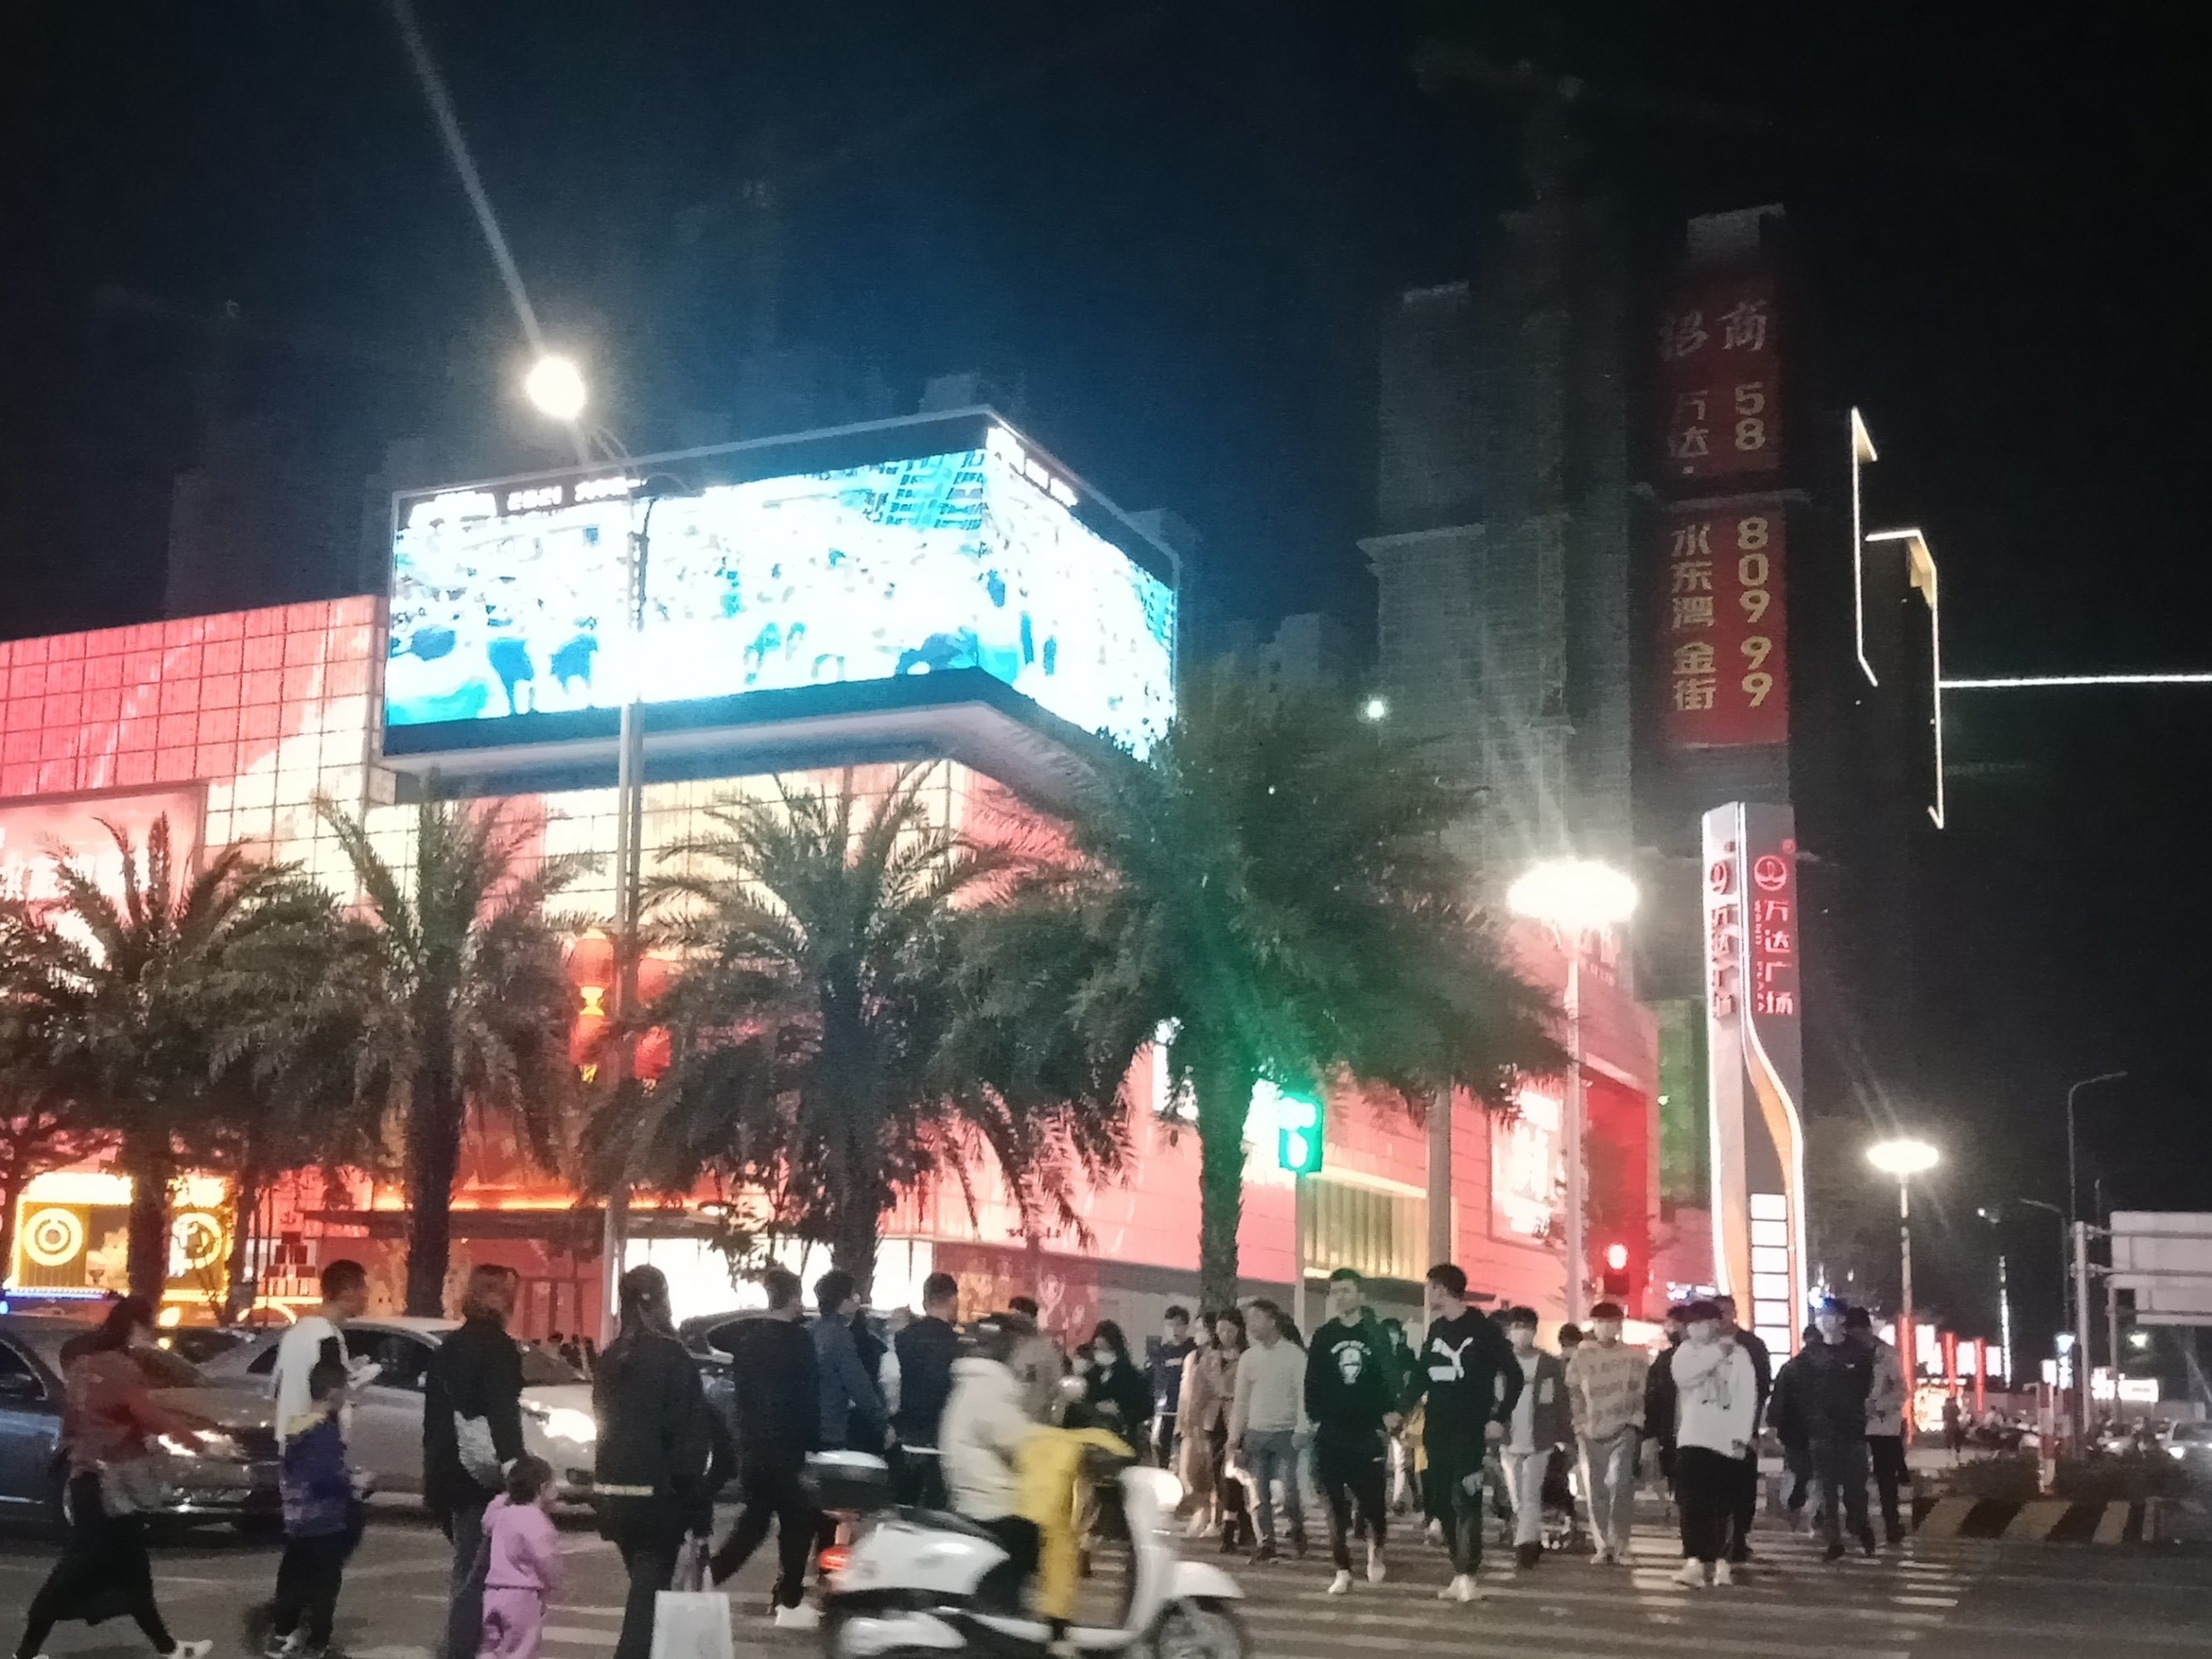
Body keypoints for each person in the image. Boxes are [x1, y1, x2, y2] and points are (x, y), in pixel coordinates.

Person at [12, 1296, 214, 1659]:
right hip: (114, 1483)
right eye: (149, 1326)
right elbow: (148, 1414)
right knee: (80, 1562)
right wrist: (198, 1444)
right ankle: (25, 1652)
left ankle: (169, 1648)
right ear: (135, 1326)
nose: (151, 1334)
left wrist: (81, 1452)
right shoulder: (122, 1368)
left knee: (133, 1567)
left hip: (87, 1477)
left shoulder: (81, 1366)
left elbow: (76, 1422)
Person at [594, 1265, 735, 1659]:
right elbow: (686, 1440)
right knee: (647, 1605)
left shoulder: (611, 1357)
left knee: (645, 1590)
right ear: (658, 1301)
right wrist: (698, 1505)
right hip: (657, 1497)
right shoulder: (672, 1357)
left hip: (612, 1494)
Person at [711, 1267, 823, 1627]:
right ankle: (788, 1598)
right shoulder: (800, 1341)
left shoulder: (749, 1339)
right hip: (786, 1446)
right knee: (796, 1521)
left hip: (752, 1446)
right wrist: (814, 1441)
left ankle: (708, 1578)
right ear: (795, 1298)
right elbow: (809, 1397)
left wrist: (760, 1317)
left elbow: (714, 1334)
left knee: (756, 1522)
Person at [425, 1264, 526, 1659]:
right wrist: (515, 1466)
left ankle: (464, 1645)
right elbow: (503, 1414)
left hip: (448, 1469)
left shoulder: (449, 1347)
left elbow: (433, 1418)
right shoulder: (499, 1348)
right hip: (481, 1475)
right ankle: (463, 1649)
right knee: (476, 1574)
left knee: (467, 1566)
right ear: (500, 1297)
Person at [1402, 1264, 1519, 1602]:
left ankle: (1469, 1573)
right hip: (1436, 1426)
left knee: (1467, 1499)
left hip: (1470, 1428)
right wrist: (1402, 1408)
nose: (1428, 1294)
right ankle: (1458, 1570)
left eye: (1430, 1287)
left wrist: (1500, 1417)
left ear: (1442, 1289)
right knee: (1439, 1501)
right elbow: (1423, 1374)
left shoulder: (1483, 1330)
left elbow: (1513, 1374)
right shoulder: (1437, 1328)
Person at [1304, 1268, 1399, 1594]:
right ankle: (1342, 1568)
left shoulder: (1376, 1334)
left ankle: (1376, 1551)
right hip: (1330, 1432)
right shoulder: (1324, 1335)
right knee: (1333, 1506)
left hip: (1367, 1432)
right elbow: (1312, 1380)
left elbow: (1390, 1376)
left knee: (1372, 1503)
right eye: (1336, 1291)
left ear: (1360, 1295)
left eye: (1346, 1290)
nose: (1340, 1297)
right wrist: (1315, 1418)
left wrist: (1390, 1412)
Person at [941, 1316, 1045, 1603]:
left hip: (973, 1496)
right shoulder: (989, 1386)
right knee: (1007, 1581)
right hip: (994, 1504)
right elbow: (1017, 1440)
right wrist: (1053, 1443)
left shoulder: (970, 1383)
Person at [268, 1349, 362, 1659]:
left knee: (292, 1579)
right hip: (324, 1521)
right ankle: (316, 1644)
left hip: (296, 1519)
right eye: (344, 1389)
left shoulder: (296, 1427)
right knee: (324, 1586)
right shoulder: (323, 1432)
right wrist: (355, 1482)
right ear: (333, 1392)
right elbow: (324, 1478)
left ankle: (281, 1636)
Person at [1667, 1299, 1757, 1588]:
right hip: (1693, 1437)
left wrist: (1742, 1436)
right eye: (1693, 1323)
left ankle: (1722, 1562)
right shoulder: (1685, 1352)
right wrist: (1717, 1353)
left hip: (1726, 1440)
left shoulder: (1740, 1354)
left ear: (1717, 1323)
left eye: (1704, 1322)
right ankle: (1694, 1561)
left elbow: (1747, 1396)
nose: (1698, 1328)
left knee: (1723, 1505)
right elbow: (1684, 1377)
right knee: (1692, 1503)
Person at [1566, 1299, 1646, 1566]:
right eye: (1601, 1323)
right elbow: (1574, 1392)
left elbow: (1640, 1393)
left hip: (1624, 1428)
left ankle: (1620, 1544)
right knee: (1595, 1489)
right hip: (1590, 1430)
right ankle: (1603, 1545)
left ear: (1620, 1325)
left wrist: (1636, 1423)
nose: (1606, 1327)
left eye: (1611, 1322)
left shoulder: (1634, 1356)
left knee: (1620, 1485)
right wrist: (1578, 1424)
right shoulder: (1581, 1356)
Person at [1228, 1298, 1307, 1562]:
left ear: (1272, 1321)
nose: (1250, 1325)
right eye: (1248, 1320)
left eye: (1256, 1318)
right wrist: (1234, 1437)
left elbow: (1303, 1395)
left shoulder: (1294, 1356)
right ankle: (1266, 1543)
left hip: (1286, 1433)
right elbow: (1241, 1401)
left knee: (1288, 1492)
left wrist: (1302, 1428)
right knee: (1257, 1493)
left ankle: (1296, 1528)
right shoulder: (1249, 1358)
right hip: (1256, 1433)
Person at [1798, 1298, 1875, 1562]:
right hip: (1821, 1431)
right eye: (1820, 1315)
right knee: (1826, 1488)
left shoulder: (1859, 1352)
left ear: (1841, 1319)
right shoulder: (1811, 1353)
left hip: (1851, 1430)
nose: (1823, 1319)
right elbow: (1801, 1387)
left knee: (1855, 1488)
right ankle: (1833, 1541)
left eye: (1828, 1315)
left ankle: (1861, 1526)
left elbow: (1864, 1387)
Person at [1498, 1307, 1568, 1571]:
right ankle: (1532, 1537)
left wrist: (1564, 1436)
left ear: (1535, 1331)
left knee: (1530, 1494)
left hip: (1540, 1439)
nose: (1522, 1331)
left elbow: (1559, 1402)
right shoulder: (1500, 1362)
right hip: (1508, 1438)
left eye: (1527, 1326)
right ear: (1508, 1330)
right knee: (1517, 1496)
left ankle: (1524, 1547)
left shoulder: (1549, 1364)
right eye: (1517, 1326)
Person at [477, 1456, 564, 1659]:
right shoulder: (536, 1520)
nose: (557, 1492)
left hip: (493, 1592)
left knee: (491, 1646)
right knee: (521, 1648)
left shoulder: (503, 1514)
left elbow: (486, 1522)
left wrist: (505, 1496)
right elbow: (545, 1557)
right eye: (553, 1485)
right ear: (542, 1488)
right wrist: (557, 1582)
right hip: (523, 1596)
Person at [892, 1272, 961, 1509]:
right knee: (935, 1512)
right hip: (941, 1439)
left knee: (902, 1508)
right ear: (953, 1300)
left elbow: (890, 1383)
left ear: (925, 1301)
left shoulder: (902, 1339)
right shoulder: (958, 1346)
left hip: (907, 1437)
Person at [1712, 1294, 1771, 1564]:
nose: (1722, 1317)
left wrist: (1751, 1426)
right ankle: (1717, 1540)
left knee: (1742, 1487)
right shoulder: (1705, 1345)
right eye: (1717, 1313)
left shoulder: (1752, 1345)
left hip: (1743, 1426)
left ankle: (1738, 1537)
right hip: (1711, 1428)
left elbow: (1761, 1386)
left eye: (1725, 1311)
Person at [1850, 1306, 1909, 1545]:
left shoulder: (1886, 1354)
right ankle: (1859, 1525)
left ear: (1866, 1329)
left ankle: (1892, 1525)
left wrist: (1879, 1406)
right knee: (1854, 1478)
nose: (1855, 1338)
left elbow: (1902, 1390)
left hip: (1883, 1426)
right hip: (1854, 1425)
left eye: (1858, 1332)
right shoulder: (1846, 1355)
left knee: (1886, 1479)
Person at [814, 1270, 890, 1455]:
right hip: (831, 1428)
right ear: (843, 1303)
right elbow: (858, 1384)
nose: (858, 1300)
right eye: (853, 1294)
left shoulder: (811, 1331)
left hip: (810, 1425)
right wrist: (882, 1423)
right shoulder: (840, 1337)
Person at [1175, 1315, 1228, 1536]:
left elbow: (1217, 1389)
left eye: (1202, 1328)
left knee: (1213, 1473)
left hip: (1212, 1420)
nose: (1197, 1333)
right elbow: (1184, 1391)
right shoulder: (1191, 1357)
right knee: (1190, 1474)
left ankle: (1215, 1519)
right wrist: (1182, 1420)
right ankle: (1201, 1511)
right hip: (1191, 1421)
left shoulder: (1217, 1357)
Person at [1766, 1326, 1818, 1531]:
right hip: (1819, 1428)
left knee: (1800, 1471)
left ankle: (1796, 1508)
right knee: (1816, 1472)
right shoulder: (1828, 1366)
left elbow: (1779, 1399)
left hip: (1794, 1430)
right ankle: (1812, 1512)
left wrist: (1775, 1424)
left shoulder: (1791, 1367)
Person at [1082, 1320, 1155, 1447]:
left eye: (1106, 1349)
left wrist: (1120, 1411)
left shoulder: (1130, 1374)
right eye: (1098, 1349)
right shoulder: (1091, 1375)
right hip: (1094, 1434)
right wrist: (1095, 1407)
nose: (1101, 1354)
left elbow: (1145, 1406)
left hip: (1121, 1435)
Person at [1643, 1306, 1688, 1500]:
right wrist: (1650, 1433)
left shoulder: (1704, 1357)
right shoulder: (1665, 1359)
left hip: (1693, 1431)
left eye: (1674, 1324)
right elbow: (1653, 1396)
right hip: (1670, 1431)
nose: (1670, 1329)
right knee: (1674, 1475)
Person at [1150, 1306, 1197, 1470]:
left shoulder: (1193, 1350)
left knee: (1183, 1455)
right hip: (1164, 1411)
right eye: (1170, 1325)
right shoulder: (1160, 1352)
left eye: (1178, 1325)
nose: (1174, 1330)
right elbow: (1157, 1383)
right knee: (1161, 1451)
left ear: (1186, 1326)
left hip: (1186, 1411)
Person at [1006, 1297, 1066, 1423]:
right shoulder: (1003, 1344)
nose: (1015, 1323)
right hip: (1005, 1415)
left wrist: (1054, 1418)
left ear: (1032, 1319)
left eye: (1020, 1318)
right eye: (1012, 1318)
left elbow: (1056, 1386)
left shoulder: (1046, 1349)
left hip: (1034, 1418)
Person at [1942, 1395, 1966, 1462]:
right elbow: (1959, 1413)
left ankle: (1949, 1452)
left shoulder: (1945, 1408)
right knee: (1957, 1438)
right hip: (1955, 1424)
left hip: (1949, 1425)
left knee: (1949, 1438)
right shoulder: (1955, 1407)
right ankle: (1957, 1453)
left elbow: (1944, 1418)